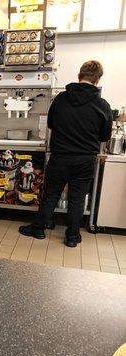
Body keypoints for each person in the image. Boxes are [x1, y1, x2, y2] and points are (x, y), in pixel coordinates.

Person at [19, 60, 112, 247]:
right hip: (85, 159)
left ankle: (38, 229)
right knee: (77, 198)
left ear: (79, 75)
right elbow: (105, 136)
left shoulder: (61, 99)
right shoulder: (102, 105)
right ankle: (72, 237)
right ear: (97, 79)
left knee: (51, 193)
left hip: (60, 156)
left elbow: (51, 124)